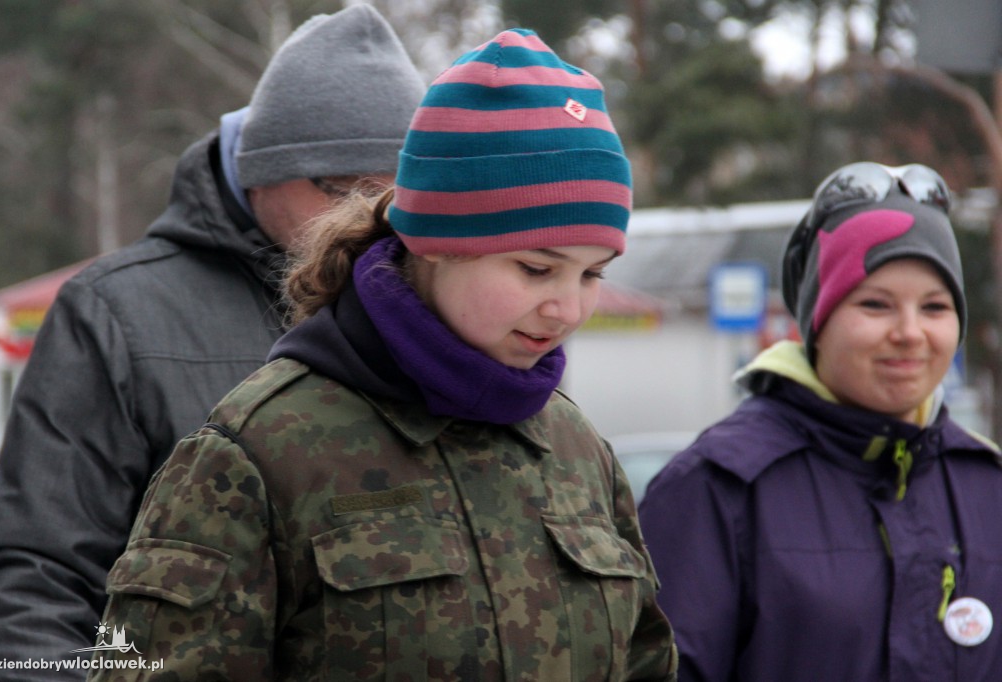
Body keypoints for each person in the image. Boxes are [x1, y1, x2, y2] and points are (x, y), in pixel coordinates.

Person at [88, 27, 677, 681]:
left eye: (592, 274)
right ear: (436, 242)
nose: (567, 309)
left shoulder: (577, 450)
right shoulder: (258, 452)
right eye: (537, 269)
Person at [0, 5, 425, 676]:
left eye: (396, 198)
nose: (370, 222)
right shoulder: (115, 315)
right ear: (262, 168)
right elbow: (35, 587)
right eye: (343, 190)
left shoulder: (441, 313)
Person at [639, 161, 1002, 681]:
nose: (910, 332)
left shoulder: (985, 486)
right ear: (817, 321)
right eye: (875, 304)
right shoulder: (717, 488)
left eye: (935, 307)